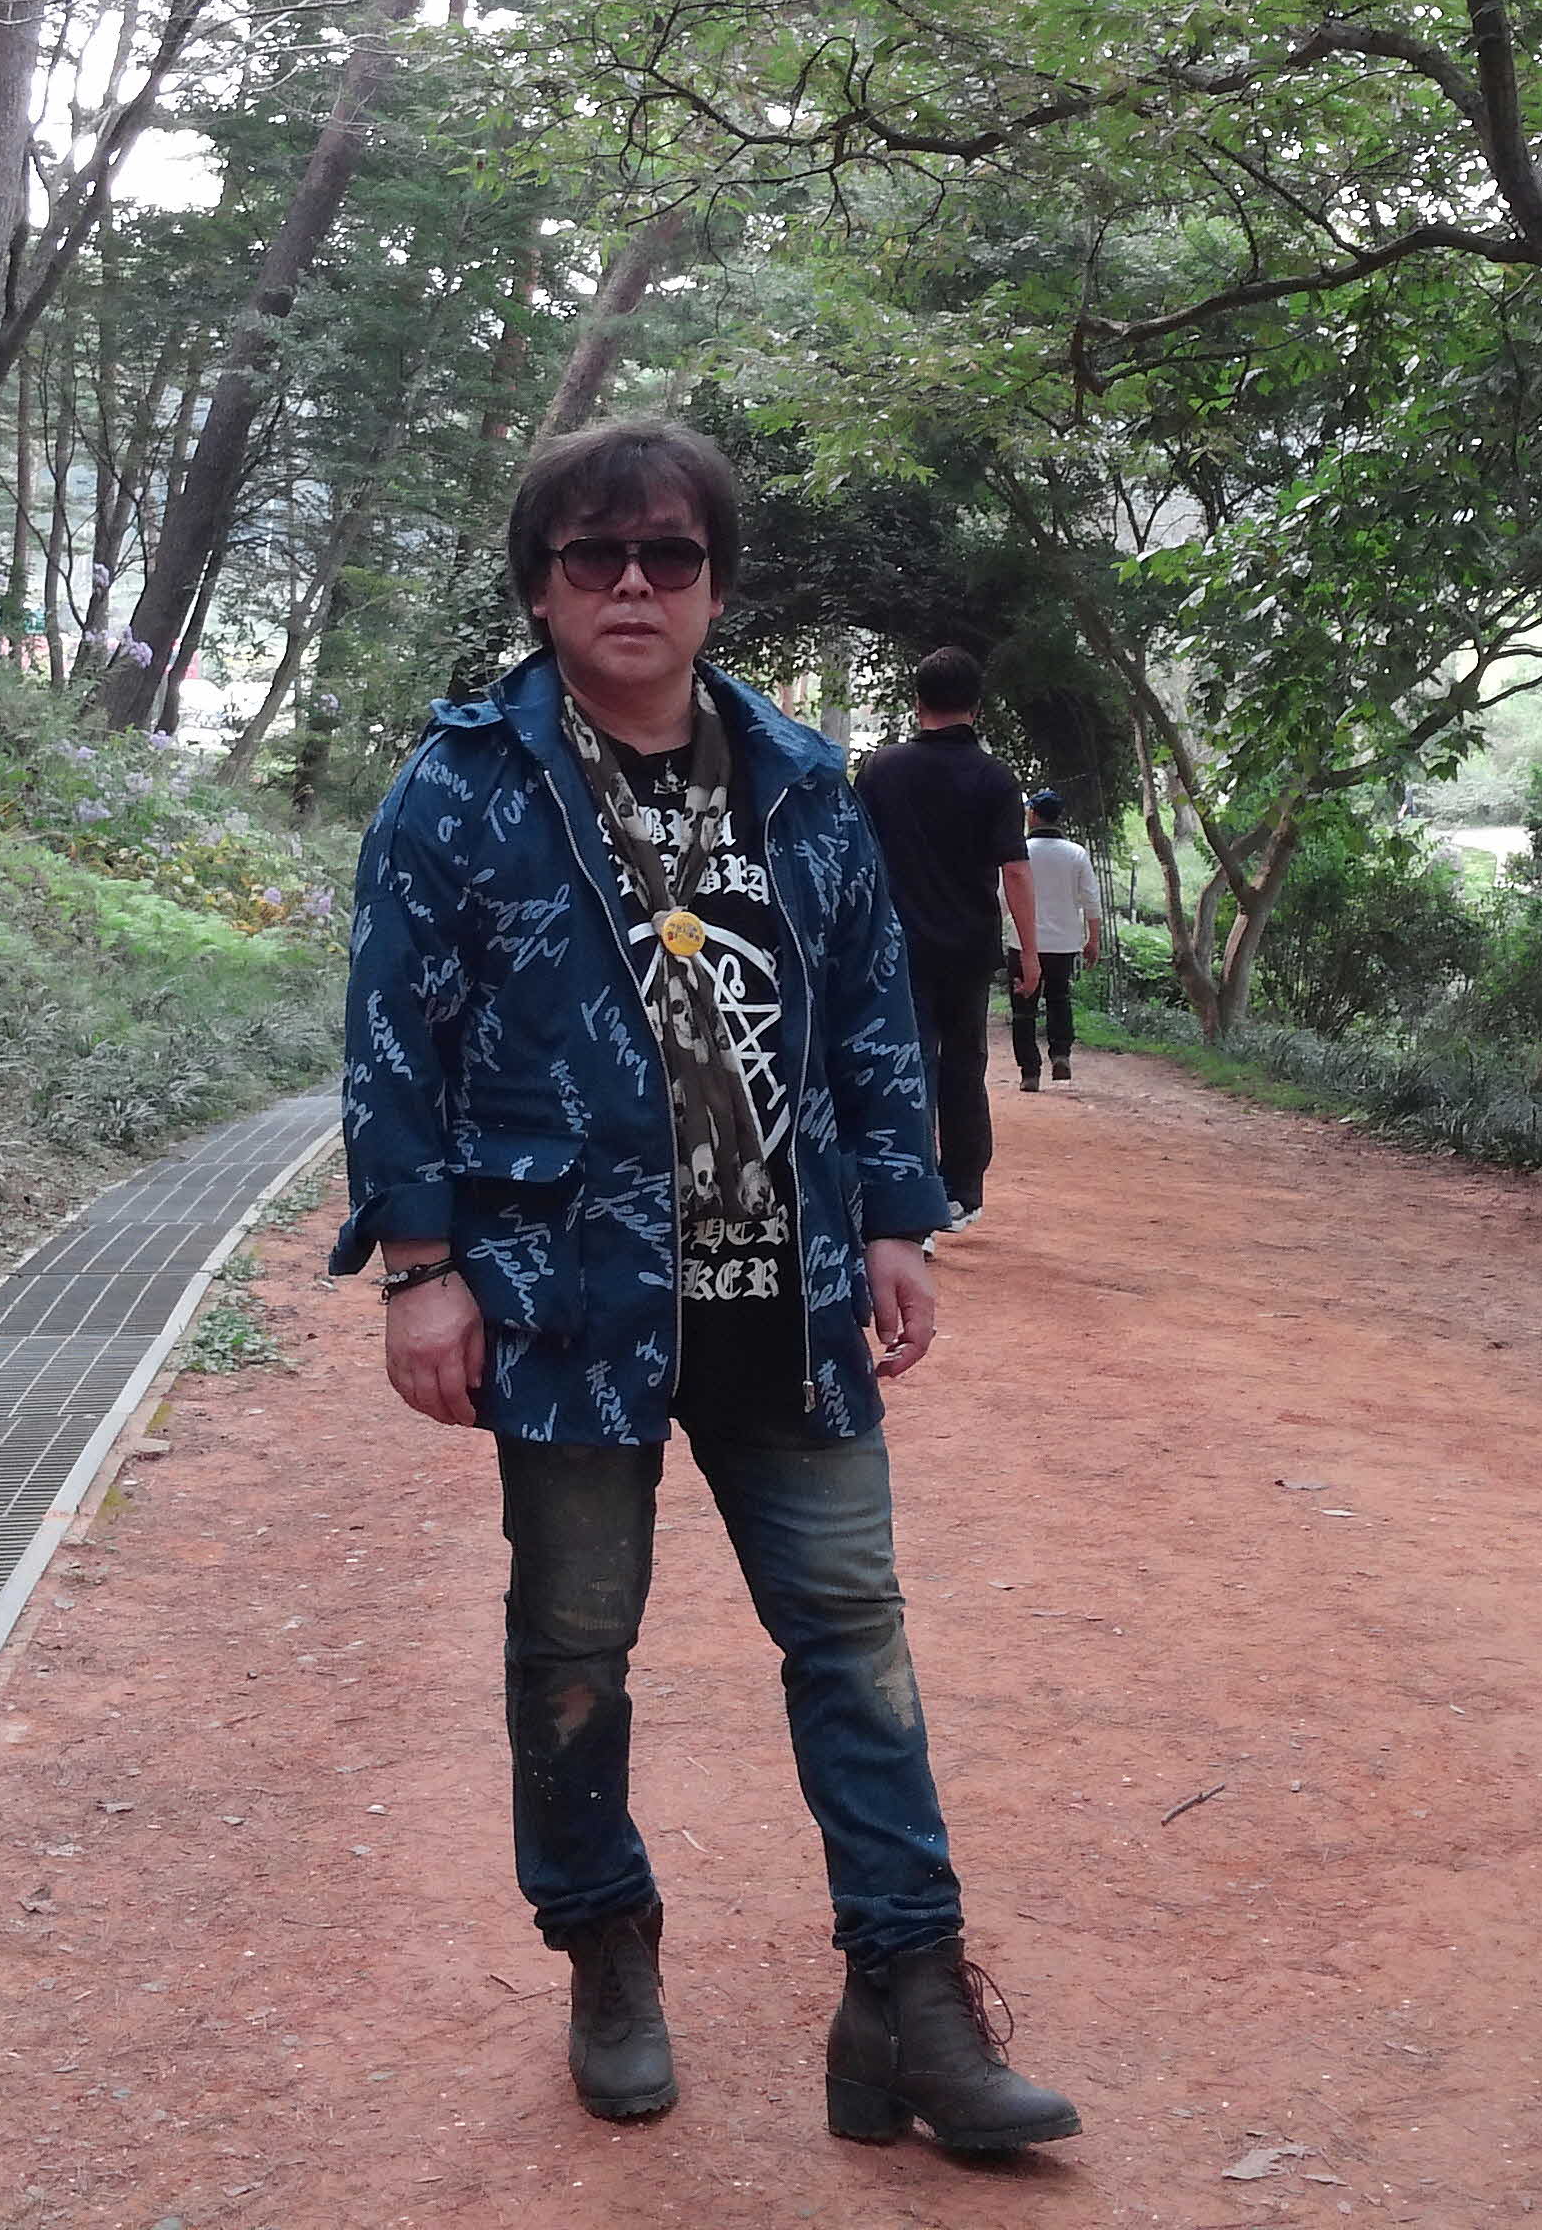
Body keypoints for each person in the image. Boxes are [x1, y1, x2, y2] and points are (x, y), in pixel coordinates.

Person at [333, 419, 1081, 2159]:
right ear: (540, 587)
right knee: (575, 1642)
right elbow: (391, 1040)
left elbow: (872, 1013)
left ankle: (907, 1995)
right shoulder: (462, 784)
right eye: (593, 555)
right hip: (568, 1297)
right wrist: (421, 1268)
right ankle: (606, 1949)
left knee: (852, 1634)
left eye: (668, 554)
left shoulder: (803, 783)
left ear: (716, 587)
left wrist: (897, 1217)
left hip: (784, 1292)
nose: (632, 584)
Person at [850, 649, 1035, 1223]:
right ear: (976, 707)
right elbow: (1014, 871)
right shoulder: (995, 778)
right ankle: (962, 1191)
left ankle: (910, 1192)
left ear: (916, 703)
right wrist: (1029, 952)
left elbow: (854, 859)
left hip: (895, 948)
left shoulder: (880, 770)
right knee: (964, 1065)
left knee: (906, 1066)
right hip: (968, 949)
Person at [1007, 791, 1103, 1092]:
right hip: (1064, 943)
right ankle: (1060, 1054)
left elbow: (1002, 896)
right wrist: (1093, 939)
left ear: (1033, 815)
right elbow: (1091, 899)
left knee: (1023, 1007)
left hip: (1023, 942)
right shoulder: (1076, 854)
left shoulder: (1019, 850)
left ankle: (1029, 1072)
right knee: (1059, 999)